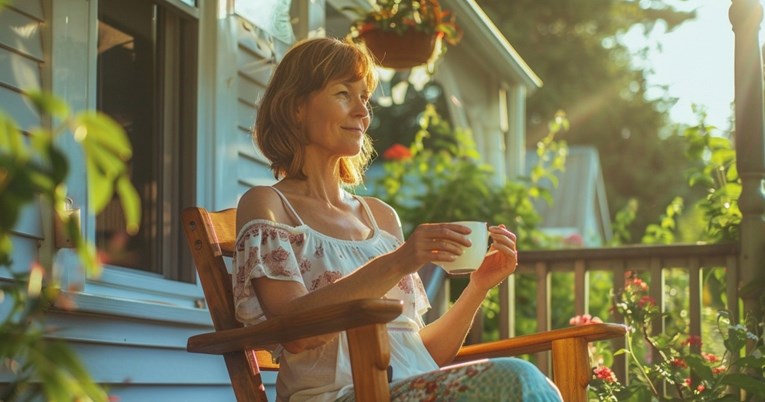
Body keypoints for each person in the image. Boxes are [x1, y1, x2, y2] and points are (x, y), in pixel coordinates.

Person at [233, 37, 563, 402]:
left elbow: (420, 353)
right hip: (335, 395)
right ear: (296, 106)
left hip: (406, 390)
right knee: (515, 378)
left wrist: (478, 287)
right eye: (344, 93)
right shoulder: (269, 205)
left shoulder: (380, 217)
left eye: (365, 97)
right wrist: (402, 259)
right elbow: (295, 331)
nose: (362, 111)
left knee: (526, 381)